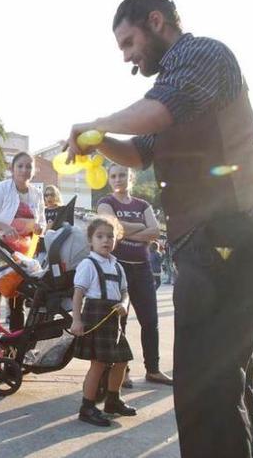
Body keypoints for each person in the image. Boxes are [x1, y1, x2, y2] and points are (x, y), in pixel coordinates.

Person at [65, 0, 253, 456]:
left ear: (156, 22)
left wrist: (98, 124)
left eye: (129, 42)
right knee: (221, 375)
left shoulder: (204, 56)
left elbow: (159, 110)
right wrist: (100, 141)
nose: (126, 56)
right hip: (210, 238)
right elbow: (141, 151)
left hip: (232, 227)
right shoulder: (170, 85)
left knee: (204, 379)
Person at [97, 163, 172, 386]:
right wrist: (140, 227)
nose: (118, 179)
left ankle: (154, 369)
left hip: (143, 268)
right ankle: (123, 371)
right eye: (114, 176)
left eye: (122, 175)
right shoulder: (105, 202)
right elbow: (112, 228)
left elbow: (156, 231)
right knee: (120, 322)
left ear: (131, 179)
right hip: (117, 268)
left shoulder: (143, 204)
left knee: (150, 321)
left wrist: (125, 229)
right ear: (109, 179)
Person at [70, 216, 136, 426]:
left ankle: (113, 400)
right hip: (95, 316)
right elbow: (78, 294)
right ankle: (87, 407)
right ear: (91, 240)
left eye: (110, 236)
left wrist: (124, 304)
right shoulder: (88, 264)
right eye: (100, 236)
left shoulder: (118, 266)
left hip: (113, 319)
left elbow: (125, 292)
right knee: (98, 365)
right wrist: (76, 320)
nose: (105, 240)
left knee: (122, 360)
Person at [0, 152, 46, 346]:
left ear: (33, 170)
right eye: (20, 166)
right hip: (0, 253)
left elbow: (42, 223)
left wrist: (40, 228)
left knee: (17, 305)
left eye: (28, 166)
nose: (24, 170)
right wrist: (5, 228)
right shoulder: (1, 189)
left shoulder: (36, 193)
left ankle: (15, 353)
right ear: (12, 169)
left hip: (23, 256)